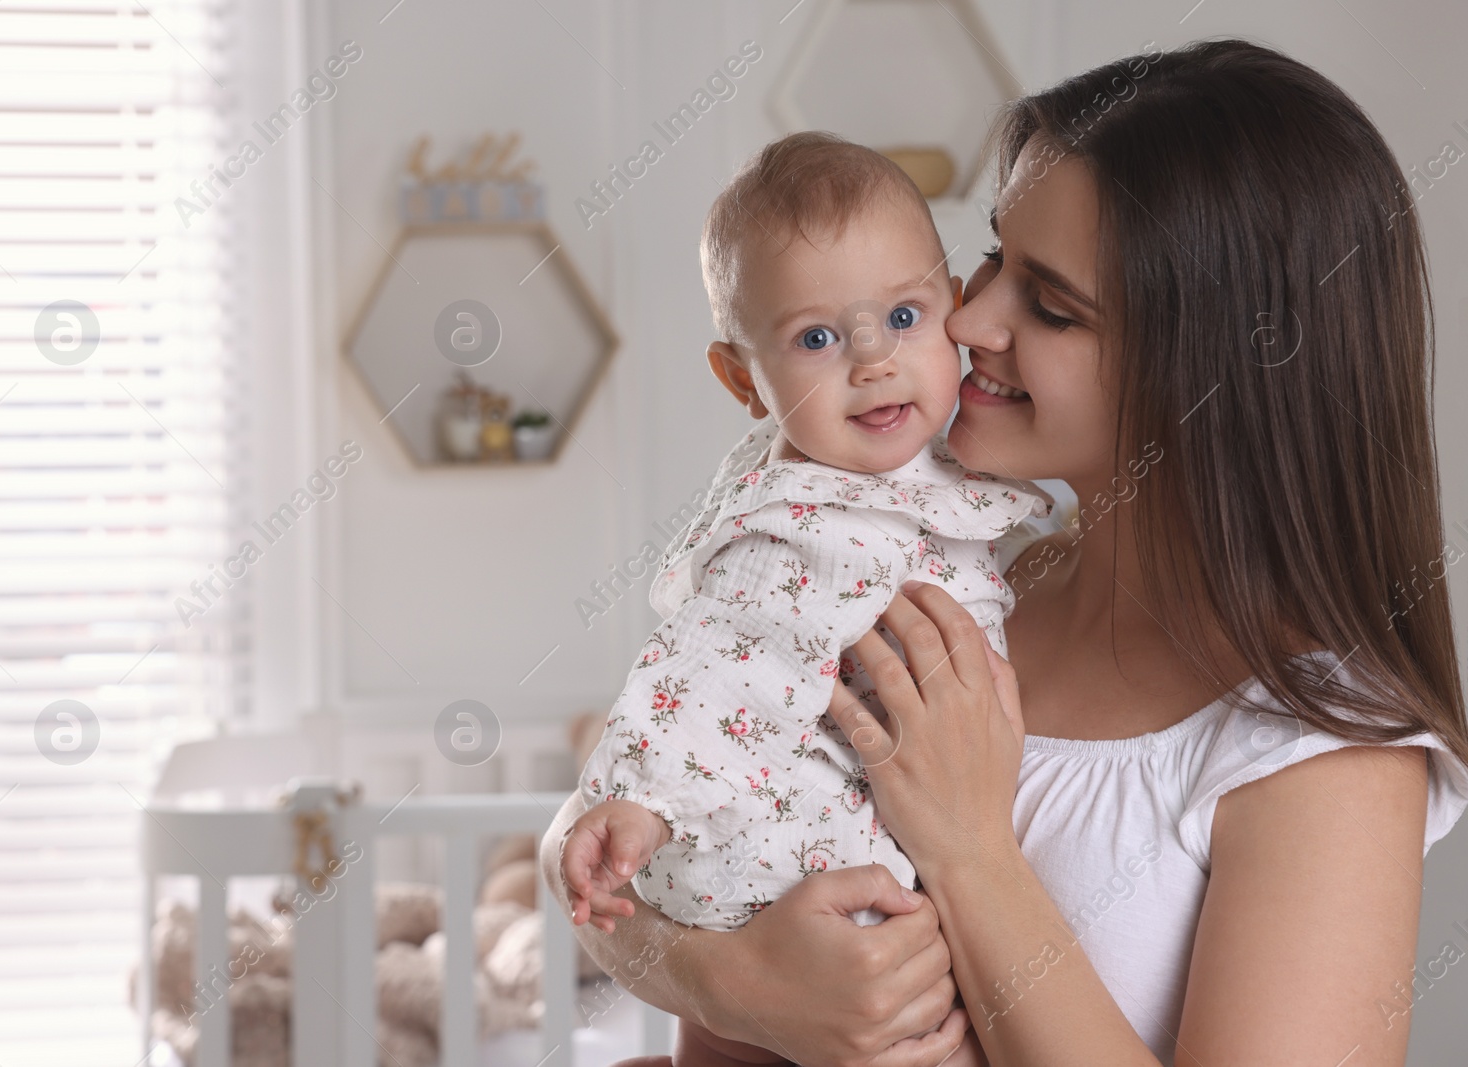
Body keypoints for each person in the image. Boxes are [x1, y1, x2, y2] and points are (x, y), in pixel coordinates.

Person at [540, 38, 1468, 1067]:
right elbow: (598, 839)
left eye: (1051, 303)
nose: (969, 317)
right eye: (990, 257)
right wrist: (737, 982)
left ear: (1212, 366)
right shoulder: (942, 575)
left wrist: (970, 849)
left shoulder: (1322, 751)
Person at [561, 131, 1051, 1066]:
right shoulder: (789, 529)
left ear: (949, 309)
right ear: (745, 379)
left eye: (904, 317)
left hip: (891, 854)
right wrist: (639, 804)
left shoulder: (948, 476)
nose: (872, 360)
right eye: (818, 338)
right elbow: (698, 674)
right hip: (787, 855)